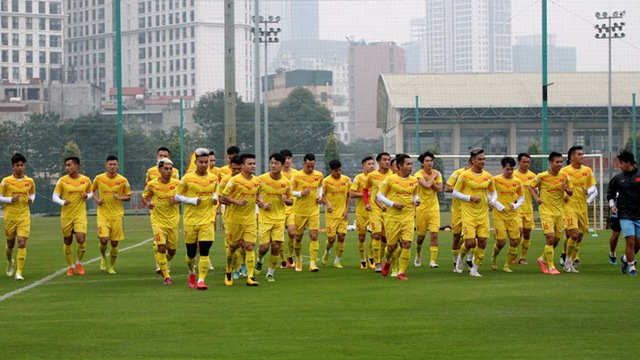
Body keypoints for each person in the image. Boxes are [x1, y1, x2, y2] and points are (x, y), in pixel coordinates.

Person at [175, 148, 218, 290]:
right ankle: (192, 272)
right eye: (201, 162)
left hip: (207, 220)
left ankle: (201, 280)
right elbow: (177, 196)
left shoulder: (213, 178)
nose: (204, 165)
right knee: (191, 254)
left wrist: (214, 198)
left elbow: (217, 191)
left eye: (206, 162)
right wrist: (192, 200)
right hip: (191, 221)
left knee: (205, 251)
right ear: (196, 162)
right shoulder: (187, 178)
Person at [453, 148, 496, 277]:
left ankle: (475, 269)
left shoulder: (488, 176)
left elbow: (493, 192)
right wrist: (469, 198)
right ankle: (461, 257)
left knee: (483, 240)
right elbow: (455, 192)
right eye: (480, 159)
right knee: (470, 243)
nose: (482, 161)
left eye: (484, 159)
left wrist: (492, 201)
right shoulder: (465, 175)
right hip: (468, 213)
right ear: (472, 160)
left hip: (483, 213)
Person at [529, 151, 574, 275]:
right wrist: (537, 198)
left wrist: (566, 190)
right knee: (550, 237)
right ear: (550, 163)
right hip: (545, 211)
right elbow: (530, 186)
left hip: (559, 212)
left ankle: (542, 259)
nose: (559, 164)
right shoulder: (542, 176)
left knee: (556, 240)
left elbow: (571, 192)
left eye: (561, 162)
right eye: (557, 162)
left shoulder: (564, 176)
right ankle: (551, 267)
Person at [377, 153, 420, 280]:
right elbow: (379, 196)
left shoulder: (414, 181)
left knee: (406, 243)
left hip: (408, 217)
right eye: (408, 164)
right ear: (400, 166)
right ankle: (387, 262)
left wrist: (416, 200)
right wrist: (393, 204)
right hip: (392, 218)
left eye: (411, 164)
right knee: (391, 247)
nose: (411, 166)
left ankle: (401, 272)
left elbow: (414, 195)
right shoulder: (390, 179)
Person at [220, 153, 260, 286]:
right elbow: (223, 197)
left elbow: (258, 196)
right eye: (250, 164)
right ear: (242, 166)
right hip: (234, 220)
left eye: (254, 163)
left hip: (250, 220)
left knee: (249, 246)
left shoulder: (256, 181)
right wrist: (236, 201)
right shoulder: (234, 180)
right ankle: (228, 270)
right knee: (232, 248)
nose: (253, 166)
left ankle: (250, 276)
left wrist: (262, 203)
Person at [255, 153, 293, 282]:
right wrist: (261, 204)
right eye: (271, 163)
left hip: (279, 218)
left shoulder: (286, 183)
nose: (273, 165)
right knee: (264, 248)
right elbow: (254, 195)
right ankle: (259, 259)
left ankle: (270, 273)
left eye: (276, 163)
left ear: (282, 165)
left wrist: (286, 200)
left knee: (276, 246)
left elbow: (291, 201)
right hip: (265, 218)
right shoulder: (261, 179)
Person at [52, 156, 93, 276]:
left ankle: (79, 263)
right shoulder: (62, 181)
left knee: (81, 239)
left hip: (80, 215)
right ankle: (70, 266)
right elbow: (54, 196)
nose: (67, 168)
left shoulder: (86, 180)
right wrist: (62, 202)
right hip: (66, 216)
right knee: (68, 240)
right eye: (66, 165)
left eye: (69, 165)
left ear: (76, 166)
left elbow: (90, 193)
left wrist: (87, 196)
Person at [142, 158, 180, 285]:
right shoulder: (152, 184)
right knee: (162, 247)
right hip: (158, 220)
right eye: (166, 169)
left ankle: (162, 261)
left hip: (173, 221)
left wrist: (177, 200)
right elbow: (144, 197)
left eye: (170, 169)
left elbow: (185, 196)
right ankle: (166, 276)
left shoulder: (178, 183)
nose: (169, 171)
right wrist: (148, 204)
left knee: (172, 251)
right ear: (160, 170)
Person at [91, 155, 131, 274]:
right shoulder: (99, 178)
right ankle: (103, 257)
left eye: (114, 164)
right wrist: (97, 200)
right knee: (103, 240)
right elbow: (91, 190)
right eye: (110, 164)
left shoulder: (123, 180)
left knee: (114, 243)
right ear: (106, 165)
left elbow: (128, 196)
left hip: (117, 215)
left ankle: (111, 266)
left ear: (118, 166)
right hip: (103, 214)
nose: (112, 166)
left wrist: (120, 197)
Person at [560, 145, 597, 270]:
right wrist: (564, 195)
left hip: (582, 207)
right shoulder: (564, 171)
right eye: (579, 154)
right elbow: (559, 187)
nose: (582, 156)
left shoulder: (587, 170)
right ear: (572, 157)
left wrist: (589, 190)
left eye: (582, 154)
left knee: (579, 237)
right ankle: (567, 262)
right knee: (574, 235)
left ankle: (570, 259)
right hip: (569, 207)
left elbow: (593, 187)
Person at [1, 153, 36, 280]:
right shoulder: (6, 181)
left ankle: (19, 272)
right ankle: (10, 261)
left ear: (24, 166)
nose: (20, 168)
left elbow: (32, 194)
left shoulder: (30, 181)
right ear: (13, 167)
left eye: (22, 165)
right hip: (10, 217)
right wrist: (10, 199)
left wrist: (31, 200)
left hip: (24, 217)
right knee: (10, 244)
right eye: (17, 165)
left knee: (21, 243)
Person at [606, 150, 640, 276]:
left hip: (638, 214)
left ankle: (626, 259)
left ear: (629, 163)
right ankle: (632, 268)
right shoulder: (618, 178)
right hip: (624, 213)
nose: (619, 166)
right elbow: (610, 194)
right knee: (630, 240)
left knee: (637, 244)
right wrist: (612, 206)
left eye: (621, 163)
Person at [490, 157, 525, 273]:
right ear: (503, 168)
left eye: (511, 169)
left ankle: (507, 265)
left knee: (515, 241)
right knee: (501, 242)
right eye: (507, 169)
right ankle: (494, 257)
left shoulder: (517, 182)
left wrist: (516, 206)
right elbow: (489, 194)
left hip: (513, 215)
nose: (510, 172)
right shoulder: (495, 180)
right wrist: (497, 204)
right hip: (499, 215)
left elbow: (522, 197)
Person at [290, 153, 324, 272]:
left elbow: (320, 187)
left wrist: (320, 197)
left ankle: (313, 264)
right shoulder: (297, 176)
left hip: (314, 210)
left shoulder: (319, 175)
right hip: (299, 211)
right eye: (308, 166)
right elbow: (289, 192)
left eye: (312, 166)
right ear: (303, 164)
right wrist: (300, 194)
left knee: (314, 236)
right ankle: (298, 259)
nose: (310, 169)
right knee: (298, 237)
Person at [363, 152, 393, 272]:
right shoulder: (372, 176)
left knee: (386, 239)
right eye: (384, 160)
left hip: (388, 210)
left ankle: (382, 258)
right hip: (375, 209)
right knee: (376, 234)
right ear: (379, 162)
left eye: (389, 160)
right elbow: (365, 190)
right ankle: (377, 263)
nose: (387, 162)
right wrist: (367, 203)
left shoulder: (393, 175)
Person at [414, 151, 443, 268]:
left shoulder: (437, 173)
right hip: (421, 208)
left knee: (434, 233)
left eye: (431, 161)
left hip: (434, 208)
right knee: (421, 236)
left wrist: (431, 179)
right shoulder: (418, 174)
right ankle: (418, 253)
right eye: (427, 161)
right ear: (422, 163)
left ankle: (432, 260)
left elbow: (439, 188)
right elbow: (425, 185)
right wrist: (433, 179)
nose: (429, 163)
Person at [321, 159, 352, 269]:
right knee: (331, 239)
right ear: (331, 170)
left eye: (340, 170)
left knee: (342, 237)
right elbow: (322, 195)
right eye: (336, 171)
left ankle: (337, 261)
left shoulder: (346, 180)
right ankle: (327, 251)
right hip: (331, 214)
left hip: (342, 214)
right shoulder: (326, 181)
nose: (339, 172)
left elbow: (349, 196)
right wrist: (328, 204)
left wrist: (346, 210)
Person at [445, 159, 472, 271]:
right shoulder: (458, 173)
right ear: (471, 162)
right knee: (456, 237)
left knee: (472, 237)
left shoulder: (480, 176)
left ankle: (469, 261)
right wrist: (462, 190)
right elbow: (447, 188)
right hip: (458, 210)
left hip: (471, 211)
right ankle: (456, 263)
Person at [349, 156, 375, 269]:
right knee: (361, 237)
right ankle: (362, 259)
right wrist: (365, 195)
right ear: (363, 166)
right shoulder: (358, 178)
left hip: (374, 211)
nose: (371, 166)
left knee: (375, 235)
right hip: (361, 212)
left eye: (372, 164)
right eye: (369, 164)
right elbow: (351, 194)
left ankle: (371, 257)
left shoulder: (376, 177)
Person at [513, 153, 536, 264]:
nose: (526, 164)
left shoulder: (533, 176)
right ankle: (513, 253)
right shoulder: (513, 175)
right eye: (524, 162)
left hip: (528, 209)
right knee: (519, 232)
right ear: (519, 162)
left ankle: (522, 257)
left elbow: (536, 190)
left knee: (527, 233)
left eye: (528, 162)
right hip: (516, 210)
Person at [280, 149, 298, 268]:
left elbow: (297, 190)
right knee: (279, 237)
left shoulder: (296, 174)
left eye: (289, 158)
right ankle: (282, 259)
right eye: (285, 158)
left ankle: (290, 256)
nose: (287, 160)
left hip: (292, 208)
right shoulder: (277, 174)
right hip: (279, 209)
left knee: (292, 233)